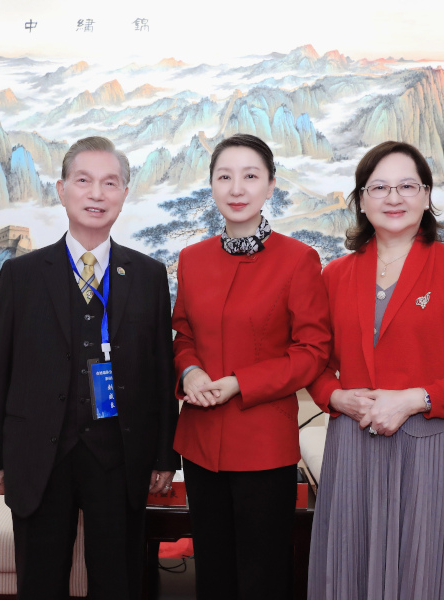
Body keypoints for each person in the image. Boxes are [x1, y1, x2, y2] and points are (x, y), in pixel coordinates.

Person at [0, 136, 179, 600]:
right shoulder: (22, 275)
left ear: (124, 193)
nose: (96, 194)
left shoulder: (148, 275)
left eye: (110, 183)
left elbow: (160, 371)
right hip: (39, 455)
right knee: (40, 581)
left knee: (118, 581)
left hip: (120, 455)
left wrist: (165, 455)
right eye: (84, 181)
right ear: (62, 189)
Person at [306, 141, 444, 599]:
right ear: (361, 200)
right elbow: (313, 363)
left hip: (431, 450)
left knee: (428, 577)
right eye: (379, 187)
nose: (393, 197)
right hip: (353, 447)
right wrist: (334, 396)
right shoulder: (334, 275)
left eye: (407, 186)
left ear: (426, 195)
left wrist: (416, 398)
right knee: (350, 573)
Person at [171, 133, 332, 600]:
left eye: (250, 176)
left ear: (270, 185)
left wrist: (240, 383)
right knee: (212, 574)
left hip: (263, 443)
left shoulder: (298, 259)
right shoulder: (192, 259)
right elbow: (183, 334)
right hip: (201, 443)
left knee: (263, 577)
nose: (237, 188)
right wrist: (189, 372)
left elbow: (313, 350)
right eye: (225, 177)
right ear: (212, 185)